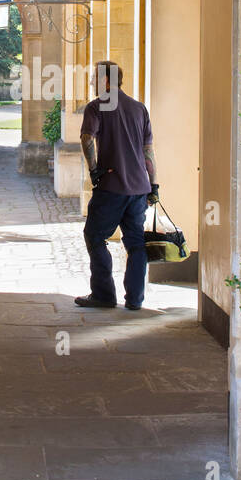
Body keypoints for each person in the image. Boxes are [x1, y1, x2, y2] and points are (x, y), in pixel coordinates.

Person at [74, 61, 159, 311]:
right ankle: (135, 300)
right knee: (135, 243)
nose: (92, 83)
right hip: (139, 188)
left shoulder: (96, 107)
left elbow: (87, 138)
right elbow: (148, 151)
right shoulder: (139, 108)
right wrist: (153, 184)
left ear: (106, 81)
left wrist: (93, 170)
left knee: (95, 235)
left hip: (111, 186)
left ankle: (103, 294)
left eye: (94, 79)